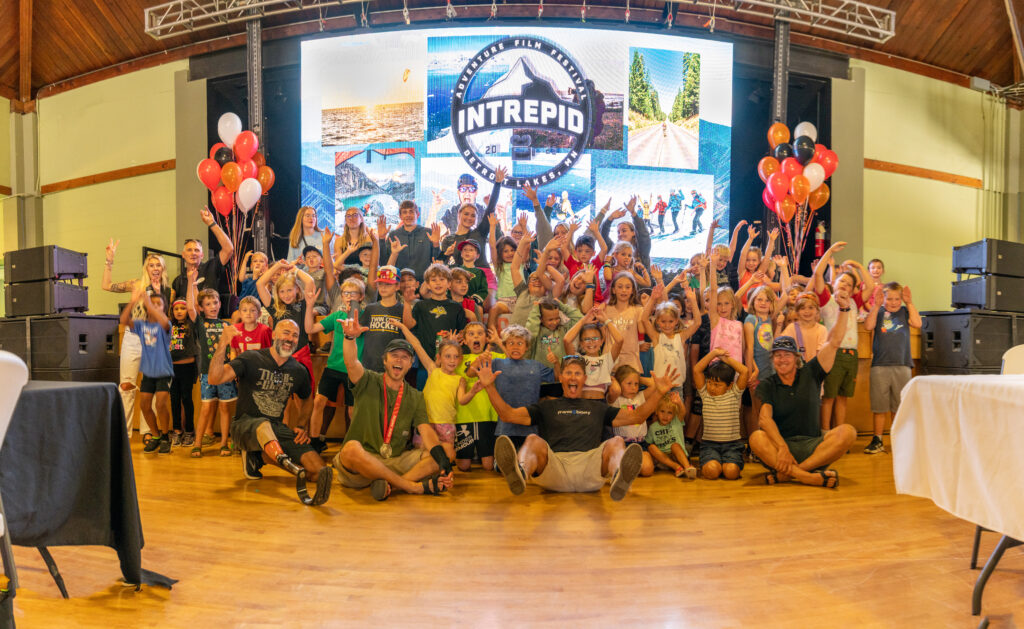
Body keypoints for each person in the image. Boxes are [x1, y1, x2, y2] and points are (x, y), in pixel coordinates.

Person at [475, 355, 679, 501]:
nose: (573, 377)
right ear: (561, 377)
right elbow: (507, 414)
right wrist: (489, 386)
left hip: (590, 470)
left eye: (578, 373)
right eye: (569, 373)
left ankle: (619, 476)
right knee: (532, 440)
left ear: (584, 379)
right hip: (555, 469)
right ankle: (519, 473)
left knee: (616, 441)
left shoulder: (598, 408)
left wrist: (659, 392)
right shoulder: (546, 405)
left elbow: (638, 416)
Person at [207, 320, 332, 506]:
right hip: (244, 425)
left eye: (295, 335)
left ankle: (256, 458)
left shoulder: (298, 370)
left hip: (275, 429)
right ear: (273, 334)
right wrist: (223, 343)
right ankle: (288, 465)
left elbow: (307, 400)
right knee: (262, 424)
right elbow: (214, 378)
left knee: (318, 471)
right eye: (286, 333)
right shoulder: (251, 358)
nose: (290, 338)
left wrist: (300, 426)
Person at [332, 318, 455, 501]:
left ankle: (391, 485)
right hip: (361, 465)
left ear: (410, 363)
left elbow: (426, 432)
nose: (399, 359)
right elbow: (351, 362)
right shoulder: (368, 380)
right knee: (350, 449)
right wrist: (349, 337)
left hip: (394, 461)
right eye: (394, 355)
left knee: (447, 450)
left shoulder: (415, 395)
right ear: (385, 360)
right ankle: (411, 487)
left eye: (404, 357)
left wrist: (444, 463)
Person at [749, 291, 858, 489]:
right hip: (780, 449)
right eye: (778, 356)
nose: (782, 360)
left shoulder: (811, 373)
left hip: (813, 447)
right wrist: (782, 447)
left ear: (796, 358)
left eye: (787, 355)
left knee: (848, 432)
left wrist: (843, 309)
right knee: (756, 437)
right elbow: (764, 419)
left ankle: (792, 474)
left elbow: (834, 343)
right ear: (773, 360)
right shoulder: (768, 384)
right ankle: (808, 476)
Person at [102, 243, 172, 439]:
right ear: (146, 268)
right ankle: (124, 433)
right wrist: (110, 260)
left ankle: (149, 432)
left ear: (163, 268)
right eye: (151, 265)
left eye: (158, 265)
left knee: (152, 388)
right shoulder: (137, 284)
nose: (155, 268)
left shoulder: (169, 290)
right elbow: (107, 285)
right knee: (126, 385)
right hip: (133, 337)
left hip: (153, 339)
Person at [863, 282, 921, 454]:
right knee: (879, 407)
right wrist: (876, 306)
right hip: (880, 365)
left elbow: (917, 323)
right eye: (890, 299)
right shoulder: (879, 312)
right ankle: (877, 439)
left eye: (897, 299)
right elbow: (867, 326)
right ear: (883, 298)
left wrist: (909, 303)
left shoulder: (904, 312)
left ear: (901, 299)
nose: (894, 302)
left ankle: (899, 439)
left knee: (899, 406)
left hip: (902, 364)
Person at [186, 268, 237, 457]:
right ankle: (197, 443)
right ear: (202, 308)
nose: (213, 306)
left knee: (225, 408)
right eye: (208, 304)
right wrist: (192, 284)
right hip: (207, 372)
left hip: (225, 373)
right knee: (206, 408)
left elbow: (233, 349)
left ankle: (224, 443)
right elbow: (190, 307)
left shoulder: (226, 325)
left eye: (215, 302)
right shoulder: (200, 322)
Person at [119, 284, 174, 454]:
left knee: (161, 404)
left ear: (165, 308)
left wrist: (149, 302)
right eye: (152, 304)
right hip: (148, 372)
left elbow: (163, 320)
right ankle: (156, 436)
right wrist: (133, 301)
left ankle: (166, 436)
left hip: (164, 371)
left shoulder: (166, 325)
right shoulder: (142, 325)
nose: (155, 306)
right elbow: (123, 320)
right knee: (144, 405)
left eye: (159, 304)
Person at [693, 348, 750, 480]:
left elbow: (744, 371)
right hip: (710, 445)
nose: (712, 388)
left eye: (717, 385)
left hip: (732, 445)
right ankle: (715, 464)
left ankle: (725, 464)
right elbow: (697, 370)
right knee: (712, 471)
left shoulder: (734, 394)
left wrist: (725, 359)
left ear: (729, 385)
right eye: (710, 383)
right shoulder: (705, 394)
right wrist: (713, 354)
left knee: (731, 473)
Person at [171, 207, 236, 319]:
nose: (193, 253)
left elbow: (229, 249)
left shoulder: (211, 267)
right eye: (189, 250)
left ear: (202, 255)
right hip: (189, 328)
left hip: (211, 325)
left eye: (197, 250)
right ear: (183, 254)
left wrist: (212, 223)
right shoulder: (178, 281)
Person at [378, 202, 441, 281]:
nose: (408, 215)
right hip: (399, 284)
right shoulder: (393, 235)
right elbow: (384, 264)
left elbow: (438, 263)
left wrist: (436, 244)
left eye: (411, 211)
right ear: (400, 216)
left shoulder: (428, 233)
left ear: (417, 214)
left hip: (424, 284)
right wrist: (381, 239)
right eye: (404, 212)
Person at [645, 394, 696, 478]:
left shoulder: (676, 421)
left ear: (674, 414)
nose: (665, 416)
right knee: (651, 447)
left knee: (675, 445)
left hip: (679, 458)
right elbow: (647, 443)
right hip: (664, 460)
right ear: (656, 411)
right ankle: (676, 467)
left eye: (669, 413)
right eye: (662, 411)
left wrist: (679, 402)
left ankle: (688, 467)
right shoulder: (653, 427)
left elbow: (683, 412)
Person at [168, 299, 197, 447]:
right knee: (174, 400)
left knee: (186, 398)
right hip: (172, 369)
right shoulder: (169, 325)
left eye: (182, 308)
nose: (179, 311)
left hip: (187, 367)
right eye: (176, 309)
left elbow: (194, 307)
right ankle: (177, 430)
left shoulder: (192, 324)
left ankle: (190, 431)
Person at [434, 172, 502, 233]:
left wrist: (493, 209)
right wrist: (434, 211)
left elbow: (498, 234)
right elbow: (436, 233)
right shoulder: (452, 212)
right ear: (458, 193)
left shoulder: (483, 211)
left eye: (471, 189)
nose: (467, 193)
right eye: (463, 189)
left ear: (476, 193)